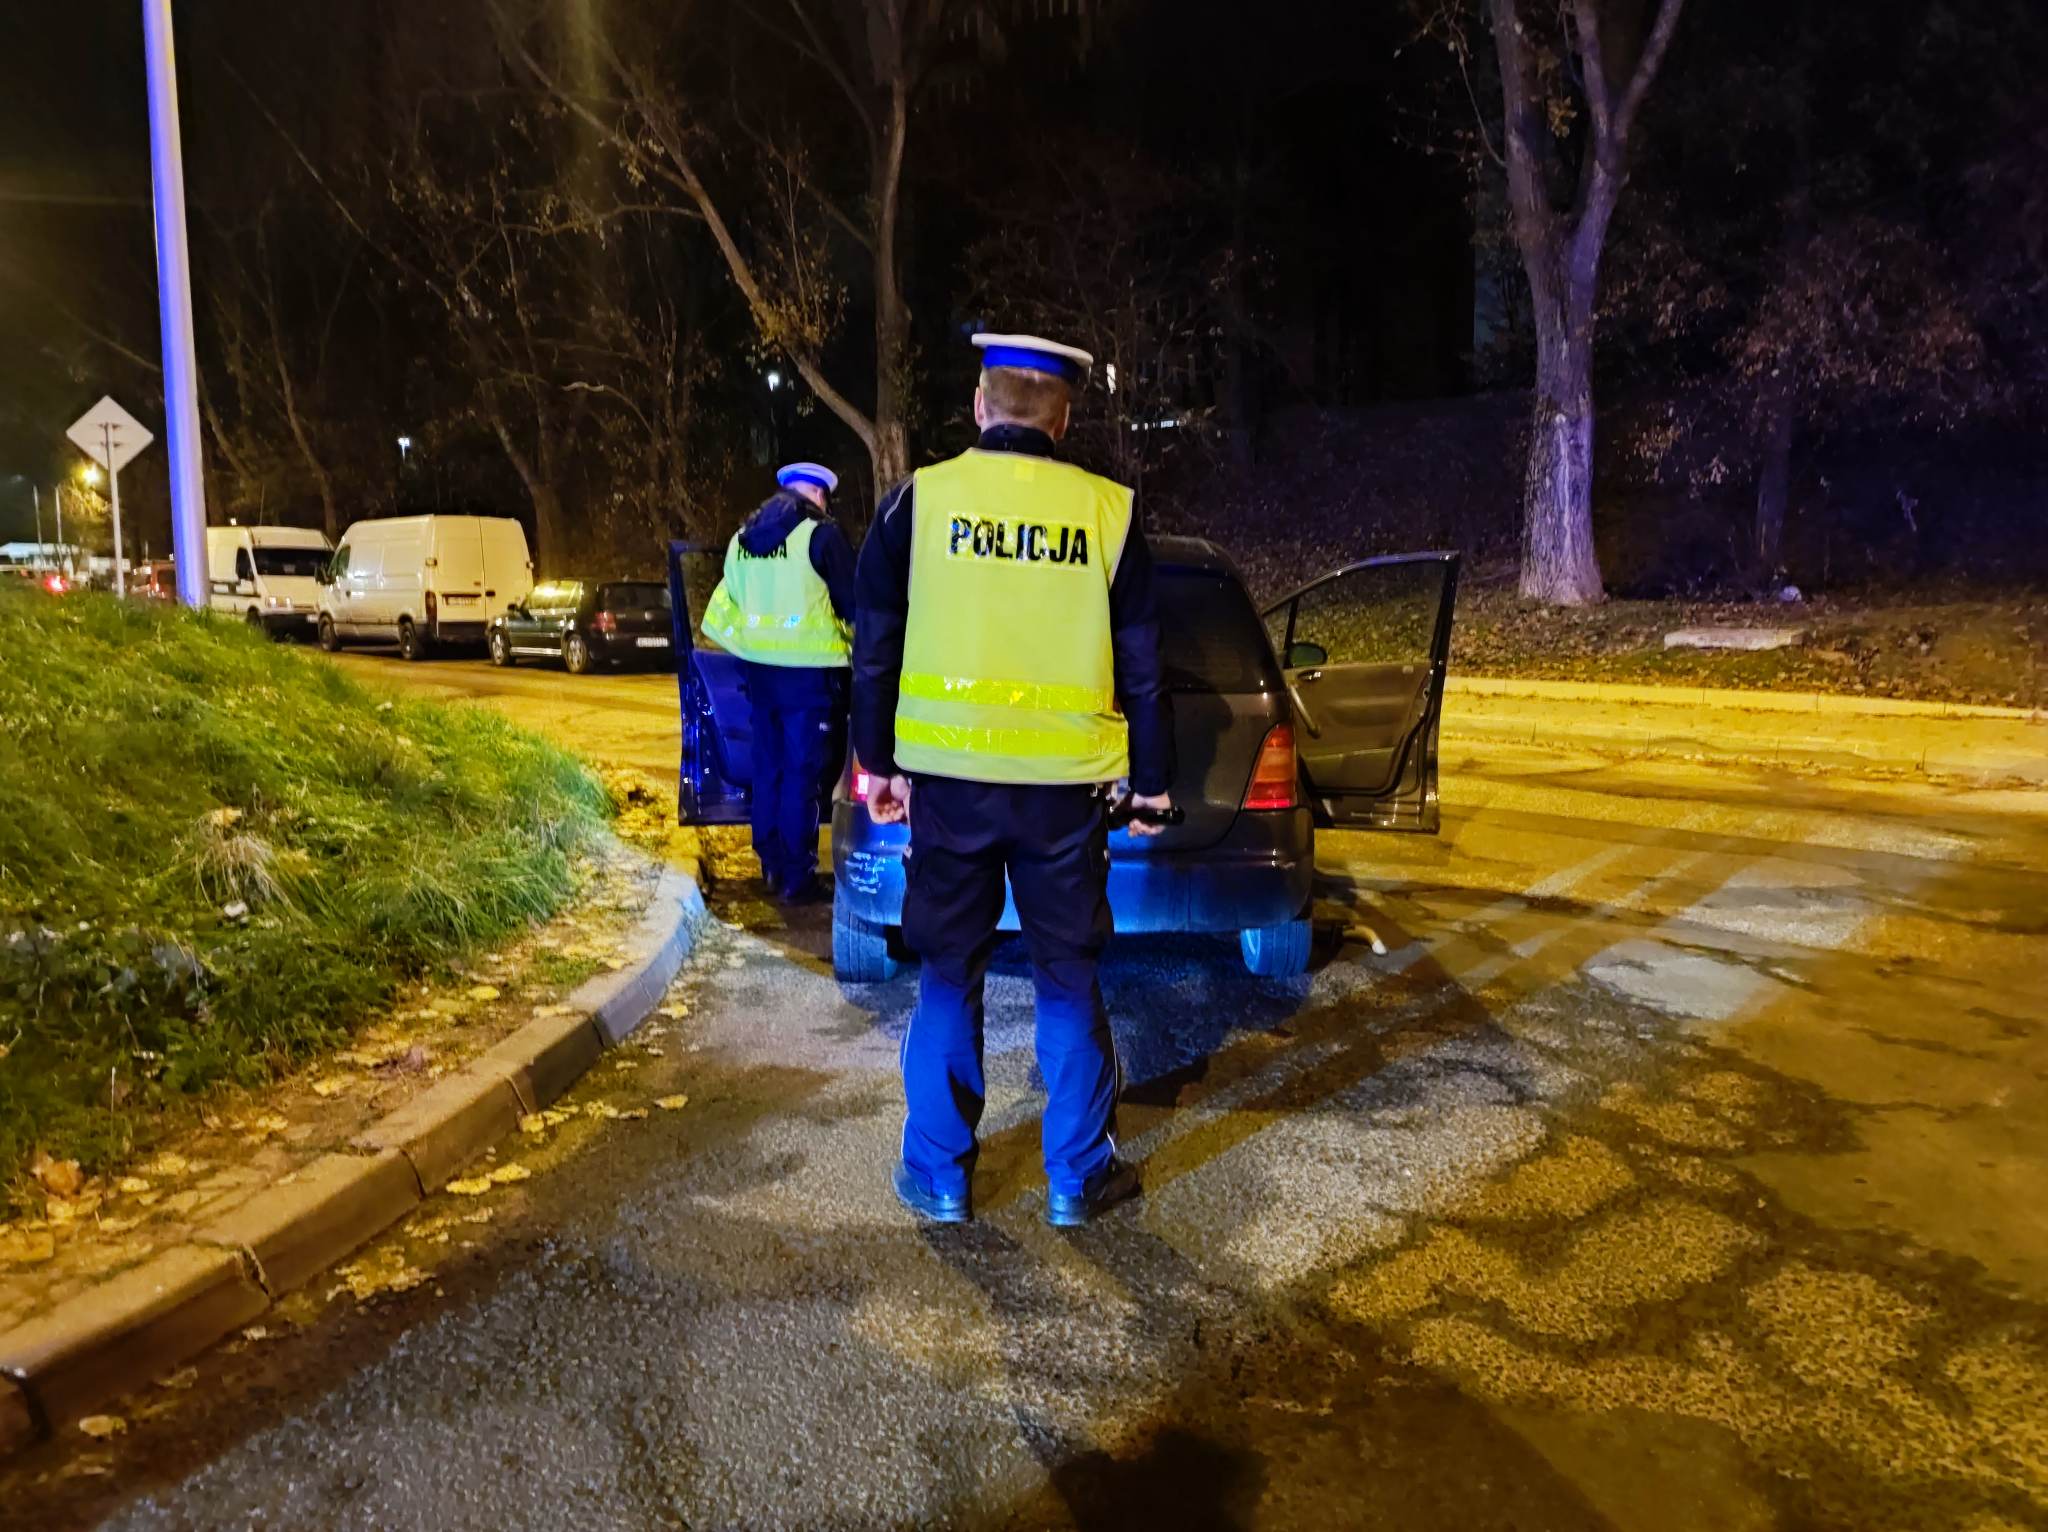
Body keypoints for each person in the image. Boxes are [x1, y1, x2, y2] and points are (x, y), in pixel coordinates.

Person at [852, 332, 1174, 1228]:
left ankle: (941, 1175)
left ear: (981, 405)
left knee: (949, 974)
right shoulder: (1108, 511)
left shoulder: (918, 502)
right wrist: (1150, 784)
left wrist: (874, 767)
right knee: (1068, 974)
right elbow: (1145, 664)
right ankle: (1076, 1179)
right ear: (1063, 419)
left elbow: (874, 648)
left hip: (948, 789)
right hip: (1064, 798)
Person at [703, 462, 856, 903]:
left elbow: (723, 610)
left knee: (768, 767)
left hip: (759, 676)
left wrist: (751, 647)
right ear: (817, 495)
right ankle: (796, 874)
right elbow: (853, 608)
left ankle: (769, 862)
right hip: (809, 678)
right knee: (802, 774)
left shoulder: (741, 541)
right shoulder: (820, 535)